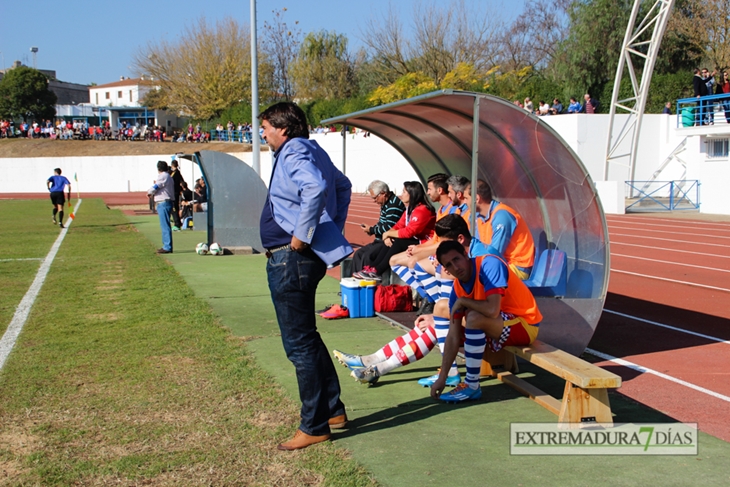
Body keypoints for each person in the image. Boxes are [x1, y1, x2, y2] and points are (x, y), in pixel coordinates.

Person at [258, 101, 352, 451]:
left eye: (265, 127)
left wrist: (304, 233)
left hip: (291, 258)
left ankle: (314, 425)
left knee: (298, 344)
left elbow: (314, 189)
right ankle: (333, 411)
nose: (263, 134)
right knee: (307, 338)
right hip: (297, 258)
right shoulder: (313, 149)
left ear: (283, 128)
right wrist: (331, 229)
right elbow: (342, 186)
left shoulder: (294, 149)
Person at [334, 214, 490, 385]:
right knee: (430, 323)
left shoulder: (483, 258)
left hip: (495, 322)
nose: (440, 248)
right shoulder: (462, 256)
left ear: (459, 239)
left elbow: (491, 305)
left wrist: (440, 315)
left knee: (434, 326)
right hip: (476, 315)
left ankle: (379, 368)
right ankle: (372, 361)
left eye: (443, 243)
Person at [430, 240, 542, 403]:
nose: (456, 267)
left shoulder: (489, 264)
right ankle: (452, 374)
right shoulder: (457, 287)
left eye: (457, 259)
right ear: (445, 270)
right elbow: (453, 336)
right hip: (497, 324)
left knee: (474, 317)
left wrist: (464, 302)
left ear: (466, 255)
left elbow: (492, 310)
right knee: (442, 307)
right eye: (449, 265)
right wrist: (442, 377)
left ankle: (472, 385)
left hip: (525, 323)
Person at [353, 181, 435, 279]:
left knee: (398, 241)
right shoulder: (410, 209)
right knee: (388, 242)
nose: (401, 194)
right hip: (415, 240)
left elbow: (410, 231)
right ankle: (372, 269)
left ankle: (377, 270)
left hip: (425, 242)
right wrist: (389, 235)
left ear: (412, 194)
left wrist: (388, 233)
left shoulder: (423, 210)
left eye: (404, 192)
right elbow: (398, 225)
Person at [351, 180, 405, 274]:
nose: (374, 201)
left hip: (387, 242)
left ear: (383, 194)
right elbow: (382, 223)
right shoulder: (386, 203)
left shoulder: (394, 205)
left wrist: (371, 230)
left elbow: (388, 227)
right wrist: (372, 230)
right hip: (380, 240)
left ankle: (367, 282)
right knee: (358, 254)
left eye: (375, 198)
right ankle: (354, 281)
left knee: (368, 256)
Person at [147, 161, 175, 254]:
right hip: (166, 202)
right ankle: (166, 245)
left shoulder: (163, 176)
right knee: (165, 224)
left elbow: (155, 187)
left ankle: (167, 246)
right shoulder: (169, 177)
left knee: (165, 225)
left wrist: (149, 192)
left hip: (163, 202)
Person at [169, 160, 185, 231]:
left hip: (174, 193)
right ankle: (177, 222)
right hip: (176, 192)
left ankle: (177, 224)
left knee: (174, 209)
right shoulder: (177, 173)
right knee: (175, 208)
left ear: (172, 165)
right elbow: (182, 181)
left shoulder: (175, 173)